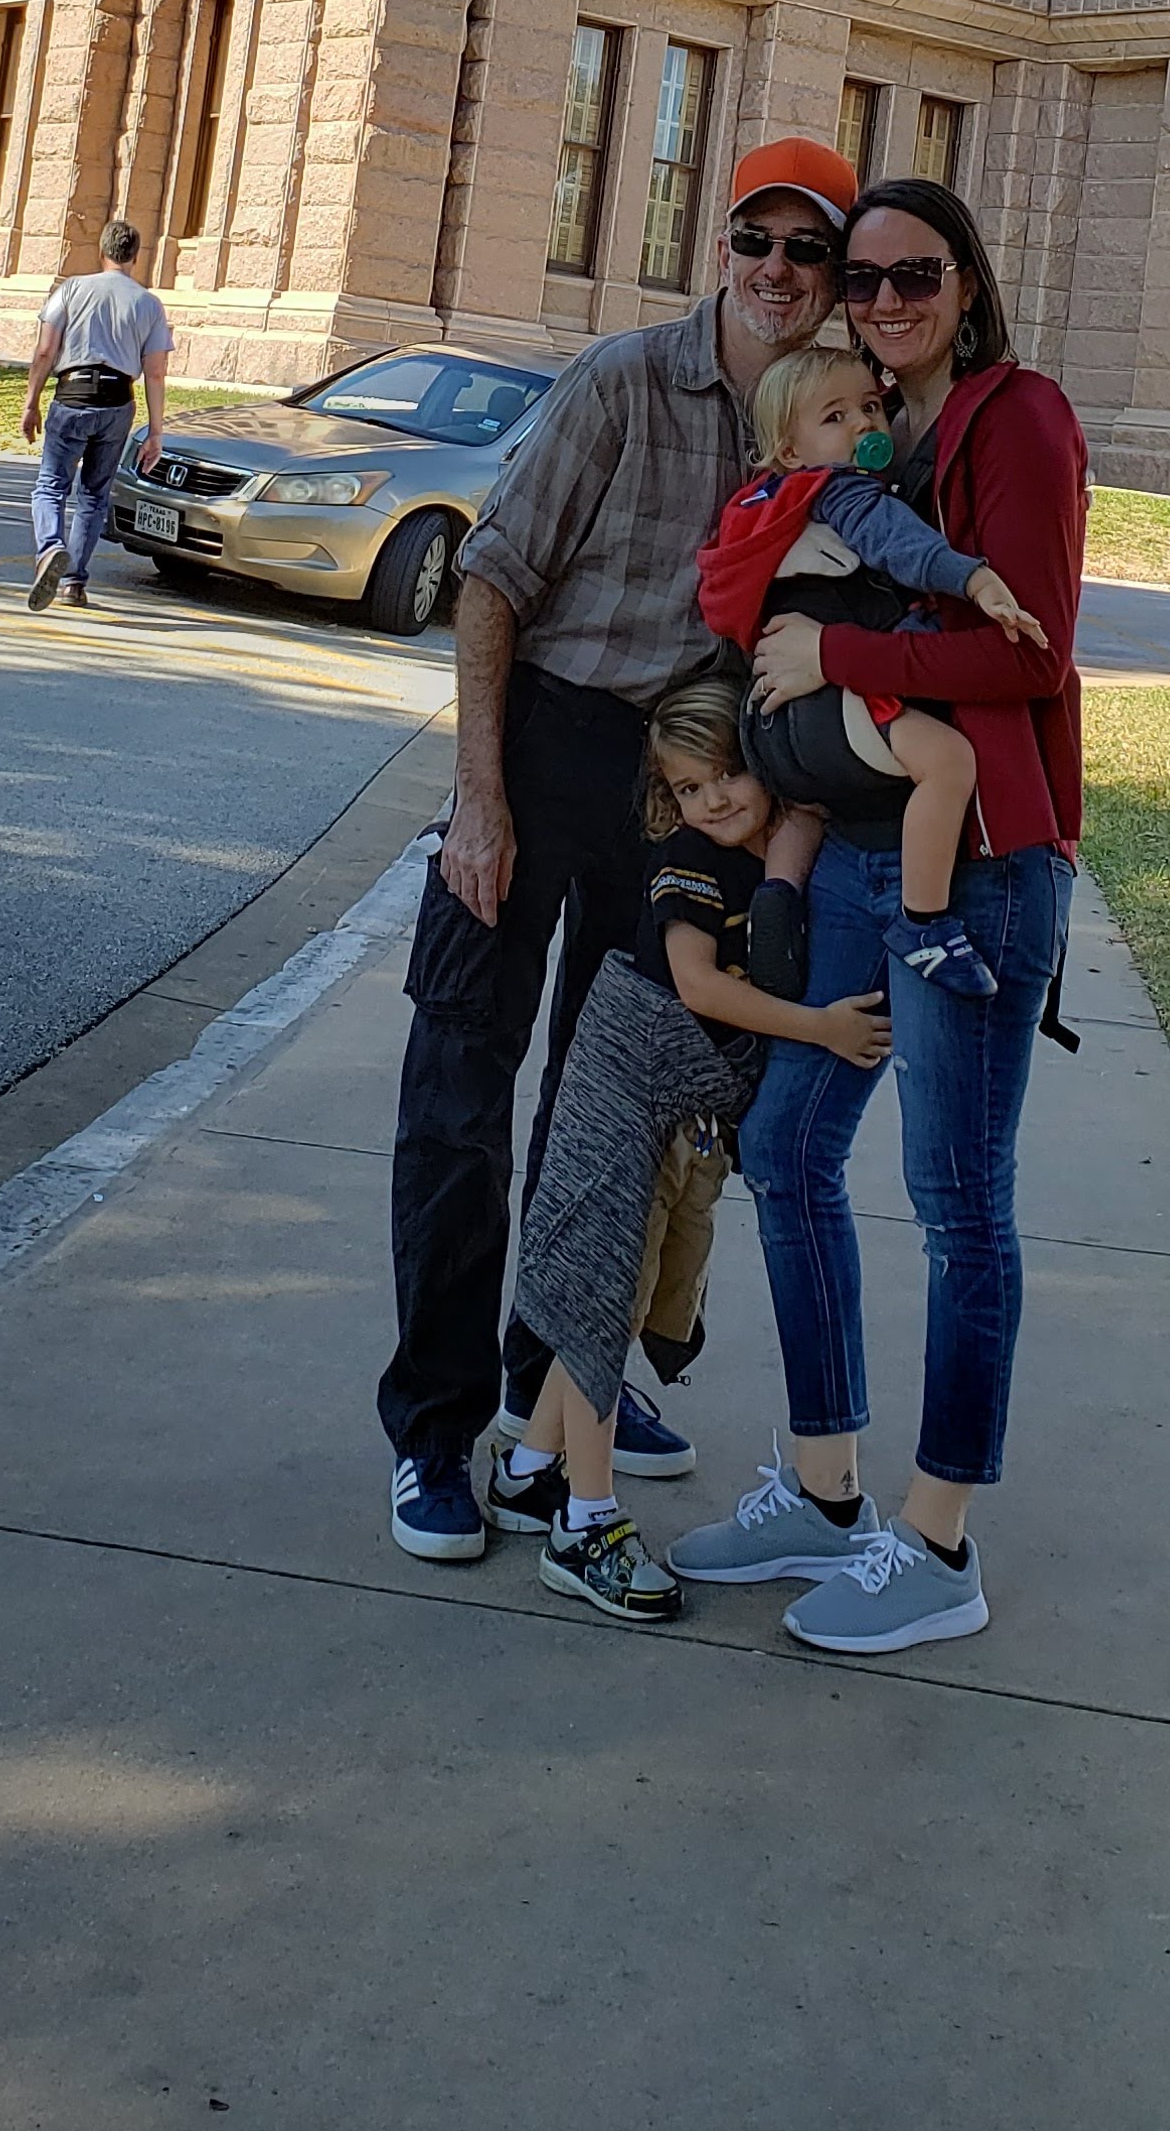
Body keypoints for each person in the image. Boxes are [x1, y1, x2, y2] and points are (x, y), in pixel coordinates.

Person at [376, 133, 855, 1564]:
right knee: (460, 1087)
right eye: (756, 240)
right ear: (721, 248)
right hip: (546, 745)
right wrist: (479, 798)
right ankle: (433, 1432)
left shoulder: (824, 421)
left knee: (610, 1121)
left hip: (683, 791)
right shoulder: (622, 382)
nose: (777, 269)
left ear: (834, 276)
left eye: (808, 249)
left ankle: (556, 1389)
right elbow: (490, 580)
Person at [669, 174, 1086, 1658]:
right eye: (864, 279)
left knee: (959, 1200)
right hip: (857, 844)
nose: (887, 301)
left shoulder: (1016, 420)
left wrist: (830, 653)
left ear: (967, 283)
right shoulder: (874, 430)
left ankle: (939, 1541)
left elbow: (1029, 657)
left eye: (917, 276)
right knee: (786, 1150)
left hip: (976, 859)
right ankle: (826, 1490)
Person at [490, 673, 891, 1623]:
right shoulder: (687, 860)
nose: (712, 800)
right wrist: (820, 1028)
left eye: (727, 775)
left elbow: (803, 830)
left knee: (623, 1291)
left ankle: (529, 1469)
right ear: (667, 798)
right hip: (625, 1073)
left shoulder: (781, 847)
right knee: (599, 1290)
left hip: (672, 1103)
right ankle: (585, 1524)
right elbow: (700, 988)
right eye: (688, 786)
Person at [699, 338, 1045, 1000]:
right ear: (791, 450)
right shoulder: (843, 492)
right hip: (838, 707)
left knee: (808, 809)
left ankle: (777, 894)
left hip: (772, 719)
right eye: (835, 417)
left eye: (869, 407)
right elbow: (900, 543)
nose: (862, 424)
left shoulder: (759, 507)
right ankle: (924, 922)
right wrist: (972, 579)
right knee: (948, 762)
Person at [21, 217, 171, 613]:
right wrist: (156, 433)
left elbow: (44, 351)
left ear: (101, 251)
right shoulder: (149, 304)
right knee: (93, 494)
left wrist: (31, 402)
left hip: (72, 394)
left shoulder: (71, 289)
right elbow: (156, 372)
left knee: (51, 485)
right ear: (135, 256)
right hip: (117, 401)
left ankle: (50, 548)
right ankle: (73, 582)